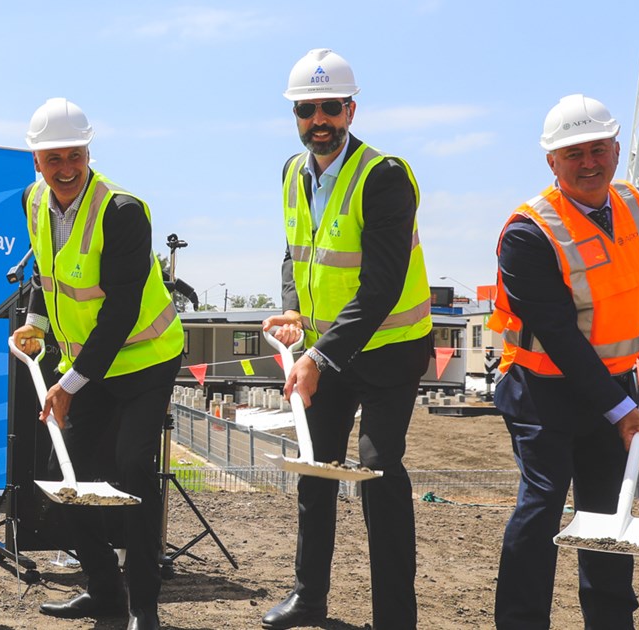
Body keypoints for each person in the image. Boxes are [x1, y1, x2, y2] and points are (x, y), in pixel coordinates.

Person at [490, 94, 639, 630]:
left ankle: (612, 621)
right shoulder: (528, 234)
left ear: (617, 149)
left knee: (608, 511)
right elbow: (560, 339)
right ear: (552, 162)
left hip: (611, 383)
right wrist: (622, 412)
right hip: (540, 389)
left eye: (599, 149)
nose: (590, 163)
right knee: (543, 504)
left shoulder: (638, 204)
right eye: (575, 154)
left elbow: (636, 275)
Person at [260, 48, 432, 630]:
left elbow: (381, 286)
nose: (319, 122)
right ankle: (309, 598)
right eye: (306, 111)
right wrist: (291, 313)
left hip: (389, 349)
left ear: (351, 109)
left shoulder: (385, 177)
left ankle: (395, 618)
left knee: (379, 471)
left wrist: (318, 353)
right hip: (326, 352)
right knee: (317, 469)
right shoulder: (291, 172)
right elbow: (295, 255)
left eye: (329, 108)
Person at [10, 98, 183, 630]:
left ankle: (143, 606)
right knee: (71, 476)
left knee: (132, 468)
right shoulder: (33, 200)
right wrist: (36, 324)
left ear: (89, 152)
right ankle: (104, 589)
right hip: (86, 364)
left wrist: (70, 382)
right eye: (52, 159)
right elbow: (46, 270)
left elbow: (121, 311)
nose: (65, 169)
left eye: (74, 156)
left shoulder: (124, 211)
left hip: (144, 361)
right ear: (36, 160)